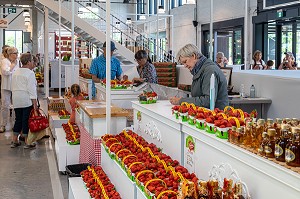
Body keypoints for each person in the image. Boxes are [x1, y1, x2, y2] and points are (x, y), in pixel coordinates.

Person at [169, 44, 229, 109]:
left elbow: (208, 100)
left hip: (217, 116)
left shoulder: (209, 71)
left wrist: (181, 101)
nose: (185, 66)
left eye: (185, 61)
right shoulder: (200, 70)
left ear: (194, 56)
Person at [11, 53, 38, 148]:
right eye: (32, 61)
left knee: (18, 119)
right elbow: (31, 89)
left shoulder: (16, 72)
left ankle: (14, 140)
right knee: (26, 120)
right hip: (26, 99)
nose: (33, 63)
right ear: (29, 62)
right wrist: (35, 104)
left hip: (16, 98)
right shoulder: (30, 73)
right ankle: (27, 141)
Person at [0, 47, 20, 133]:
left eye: (17, 53)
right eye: (15, 53)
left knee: (16, 105)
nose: (16, 55)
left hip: (15, 86)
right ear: (10, 54)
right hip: (6, 86)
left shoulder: (18, 61)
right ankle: (3, 125)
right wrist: (11, 66)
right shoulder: (5, 61)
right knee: (5, 106)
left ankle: (15, 124)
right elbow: (5, 72)